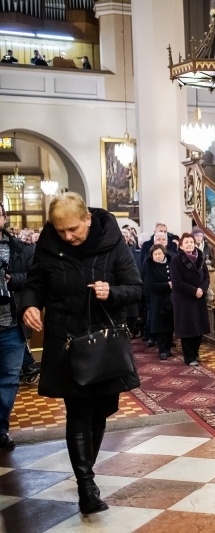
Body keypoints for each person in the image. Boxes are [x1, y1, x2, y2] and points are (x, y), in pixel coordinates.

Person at [20, 192, 142, 515]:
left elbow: (135, 288)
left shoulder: (112, 241)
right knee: (78, 411)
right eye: (60, 231)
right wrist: (30, 304)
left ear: (88, 218)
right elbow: (35, 283)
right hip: (66, 342)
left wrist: (111, 292)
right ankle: (86, 485)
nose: (67, 237)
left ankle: (86, 466)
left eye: (73, 229)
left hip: (104, 342)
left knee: (101, 411)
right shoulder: (49, 245)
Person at [0, 202, 34, 449]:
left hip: (12, 325)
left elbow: (35, 278)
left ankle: (1, 428)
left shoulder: (19, 249)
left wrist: (12, 279)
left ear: (3, 218)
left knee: (9, 381)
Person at [170, 233, 210, 366]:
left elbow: (206, 277)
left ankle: (195, 352)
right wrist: (194, 291)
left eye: (191, 242)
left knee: (199, 328)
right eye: (186, 243)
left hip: (199, 297)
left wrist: (201, 289)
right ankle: (189, 356)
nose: (189, 245)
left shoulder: (200, 257)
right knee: (188, 329)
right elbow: (177, 281)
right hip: (184, 299)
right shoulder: (176, 260)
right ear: (181, 245)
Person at [142, 244, 174, 360]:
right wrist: (167, 285)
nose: (157, 256)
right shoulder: (149, 265)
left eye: (159, 253)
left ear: (164, 253)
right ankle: (162, 350)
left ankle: (168, 348)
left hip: (170, 298)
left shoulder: (171, 262)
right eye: (155, 254)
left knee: (170, 323)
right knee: (160, 325)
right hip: (157, 298)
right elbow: (150, 284)